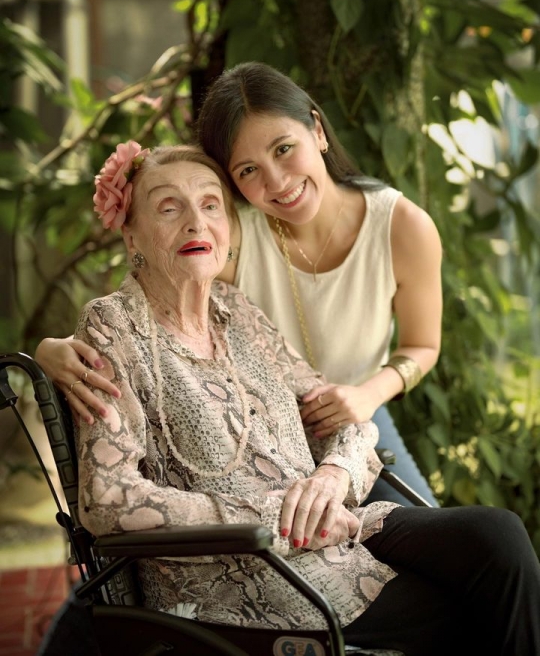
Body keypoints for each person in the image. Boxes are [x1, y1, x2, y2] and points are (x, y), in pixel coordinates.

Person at [40, 141, 540, 656]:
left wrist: (333, 476)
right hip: (245, 570)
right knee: (466, 614)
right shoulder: (114, 326)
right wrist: (274, 517)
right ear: (131, 234)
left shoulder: (237, 311)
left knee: (495, 536)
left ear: (230, 227)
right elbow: (108, 500)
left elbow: (344, 419)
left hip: (335, 531)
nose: (196, 222)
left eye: (211, 205)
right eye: (169, 208)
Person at [35, 62, 443, 508]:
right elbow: (148, 310)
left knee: (436, 535)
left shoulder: (402, 227)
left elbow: (423, 345)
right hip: (260, 434)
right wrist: (52, 350)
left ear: (318, 130)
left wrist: (366, 395)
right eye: (248, 170)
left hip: (354, 419)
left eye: (284, 149)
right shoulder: (230, 238)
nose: (278, 181)